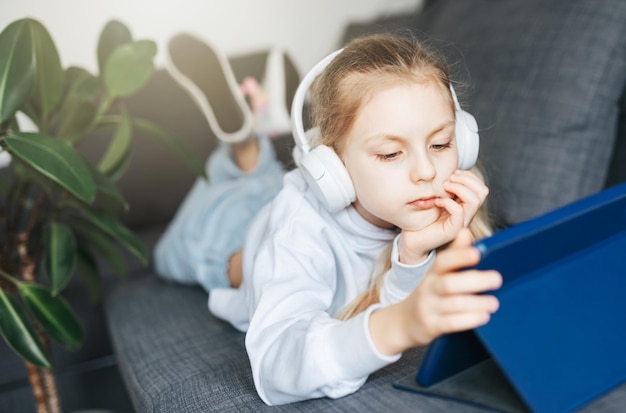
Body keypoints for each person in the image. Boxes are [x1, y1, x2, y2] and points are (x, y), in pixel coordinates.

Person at [154, 33, 502, 406]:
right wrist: (398, 324)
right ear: (330, 165)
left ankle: (249, 146)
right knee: (166, 255)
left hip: (278, 189)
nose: (426, 171)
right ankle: (244, 144)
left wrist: (412, 254)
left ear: (464, 140)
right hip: (229, 234)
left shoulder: (437, 202)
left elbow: (389, 295)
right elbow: (276, 366)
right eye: (390, 153)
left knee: (262, 178)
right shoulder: (298, 230)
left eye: (440, 144)